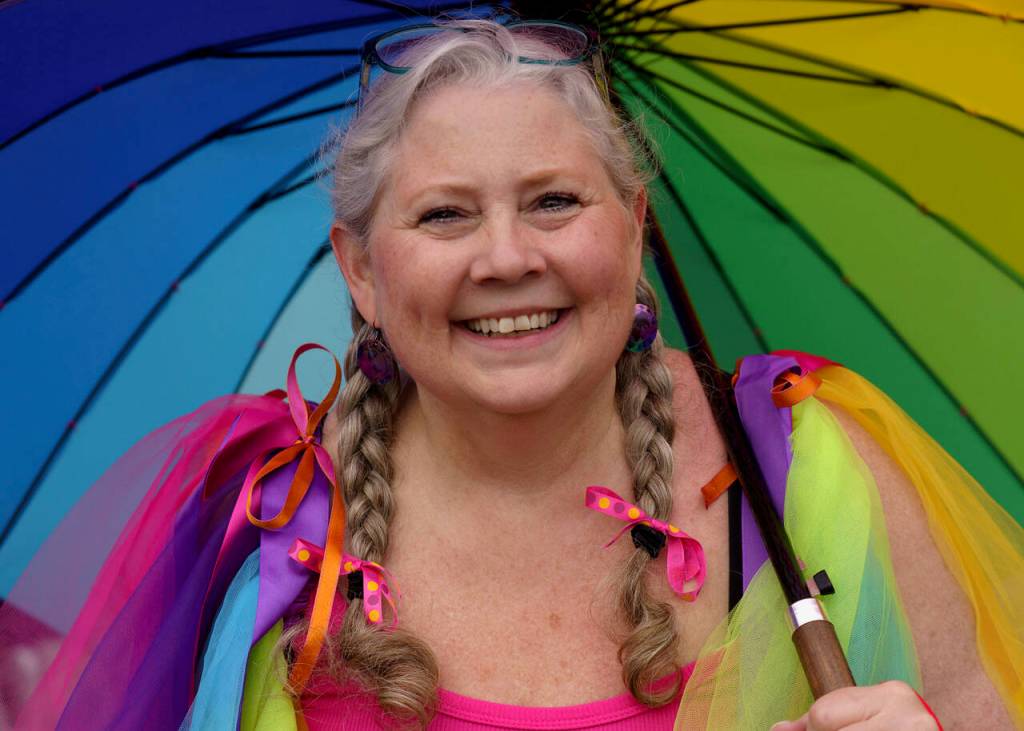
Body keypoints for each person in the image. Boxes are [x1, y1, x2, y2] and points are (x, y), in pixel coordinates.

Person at [3, 17, 1022, 731]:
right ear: (360, 268)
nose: (504, 258)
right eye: (444, 213)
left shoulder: (804, 473)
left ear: (634, 227)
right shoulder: (265, 517)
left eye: (553, 201)